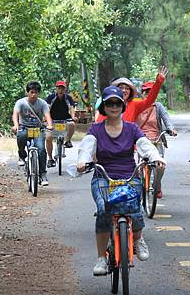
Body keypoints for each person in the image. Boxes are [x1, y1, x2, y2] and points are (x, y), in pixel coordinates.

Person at [77, 86, 166, 276]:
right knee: (103, 210)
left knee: (135, 207)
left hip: (129, 176)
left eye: (117, 103)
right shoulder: (96, 129)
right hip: (103, 177)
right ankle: (101, 258)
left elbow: (145, 146)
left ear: (122, 105)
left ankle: (138, 239)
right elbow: (86, 147)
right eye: (109, 103)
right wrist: (82, 162)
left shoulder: (132, 128)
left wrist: (156, 157)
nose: (114, 106)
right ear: (104, 106)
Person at [135, 81, 177, 199]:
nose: (149, 94)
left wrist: (171, 129)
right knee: (137, 167)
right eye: (146, 92)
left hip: (156, 140)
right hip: (140, 141)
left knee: (160, 165)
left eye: (151, 92)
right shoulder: (136, 105)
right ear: (142, 93)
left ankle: (157, 185)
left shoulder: (158, 106)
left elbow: (166, 119)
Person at [12, 81, 53, 186]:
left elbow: (47, 115)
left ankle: (43, 174)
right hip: (24, 127)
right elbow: (15, 114)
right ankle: (22, 156)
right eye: (31, 92)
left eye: (36, 92)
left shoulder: (42, 103)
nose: (33, 94)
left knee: (41, 149)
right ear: (27, 92)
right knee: (20, 136)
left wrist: (49, 125)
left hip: (37, 129)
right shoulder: (20, 102)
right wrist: (16, 125)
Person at [95, 66, 168, 123]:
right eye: (121, 88)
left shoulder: (134, 105)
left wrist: (159, 81)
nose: (124, 90)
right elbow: (98, 125)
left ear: (131, 92)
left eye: (127, 88)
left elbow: (149, 100)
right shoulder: (108, 105)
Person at [45, 80, 78, 166]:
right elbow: (46, 109)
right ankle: (50, 159)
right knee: (48, 138)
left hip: (65, 121)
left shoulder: (68, 98)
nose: (60, 90)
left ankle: (68, 141)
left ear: (65, 89)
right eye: (59, 88)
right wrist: (46, 120)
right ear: (56, 89)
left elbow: (71, 108)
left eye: (62, 88)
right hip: (52, 121)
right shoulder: (51, 97)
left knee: (72, 124)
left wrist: (73, 116)